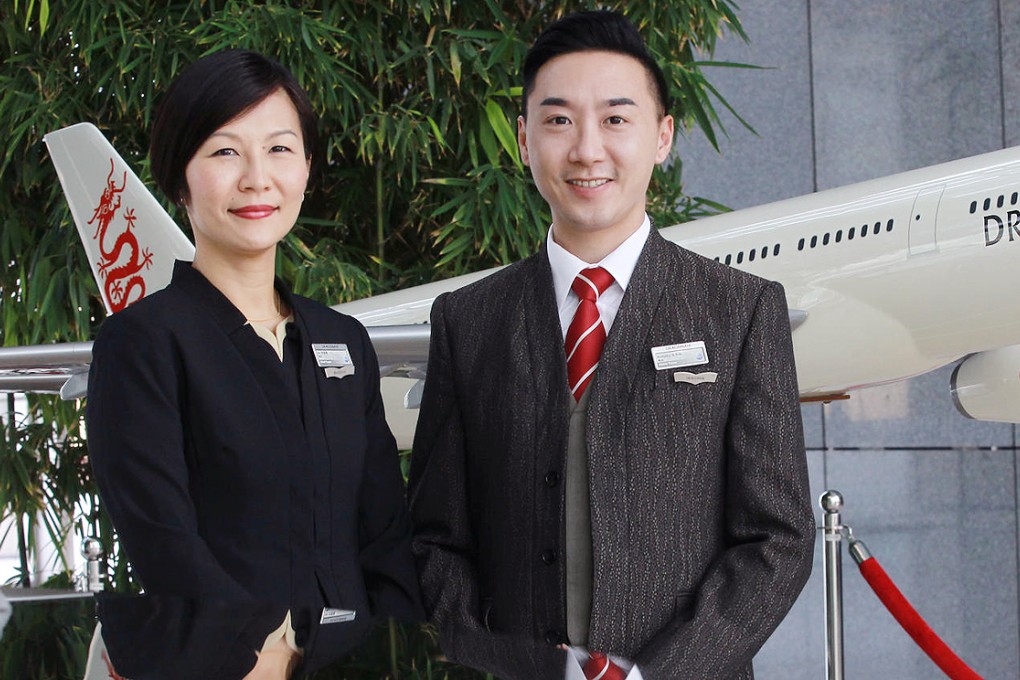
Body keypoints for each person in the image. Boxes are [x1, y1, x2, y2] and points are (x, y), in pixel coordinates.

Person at [408, 11, 814, 680]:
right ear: (523, 140)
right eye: (559, 119)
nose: (587, 149)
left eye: (616, 119)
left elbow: (776, 539)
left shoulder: (738, 310)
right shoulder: (467, 321)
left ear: (661, 137)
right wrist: (496, 663)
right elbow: (435, 540)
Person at [86, 49, 421, 679]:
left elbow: (385, 536)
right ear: (178, 176)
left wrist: (393, 650)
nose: (256, 179)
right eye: (223, 151)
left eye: (280, 149)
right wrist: (259, 657)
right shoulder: (141, 344)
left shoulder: (342, 339)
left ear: (307, 168)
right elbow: (163, 544)